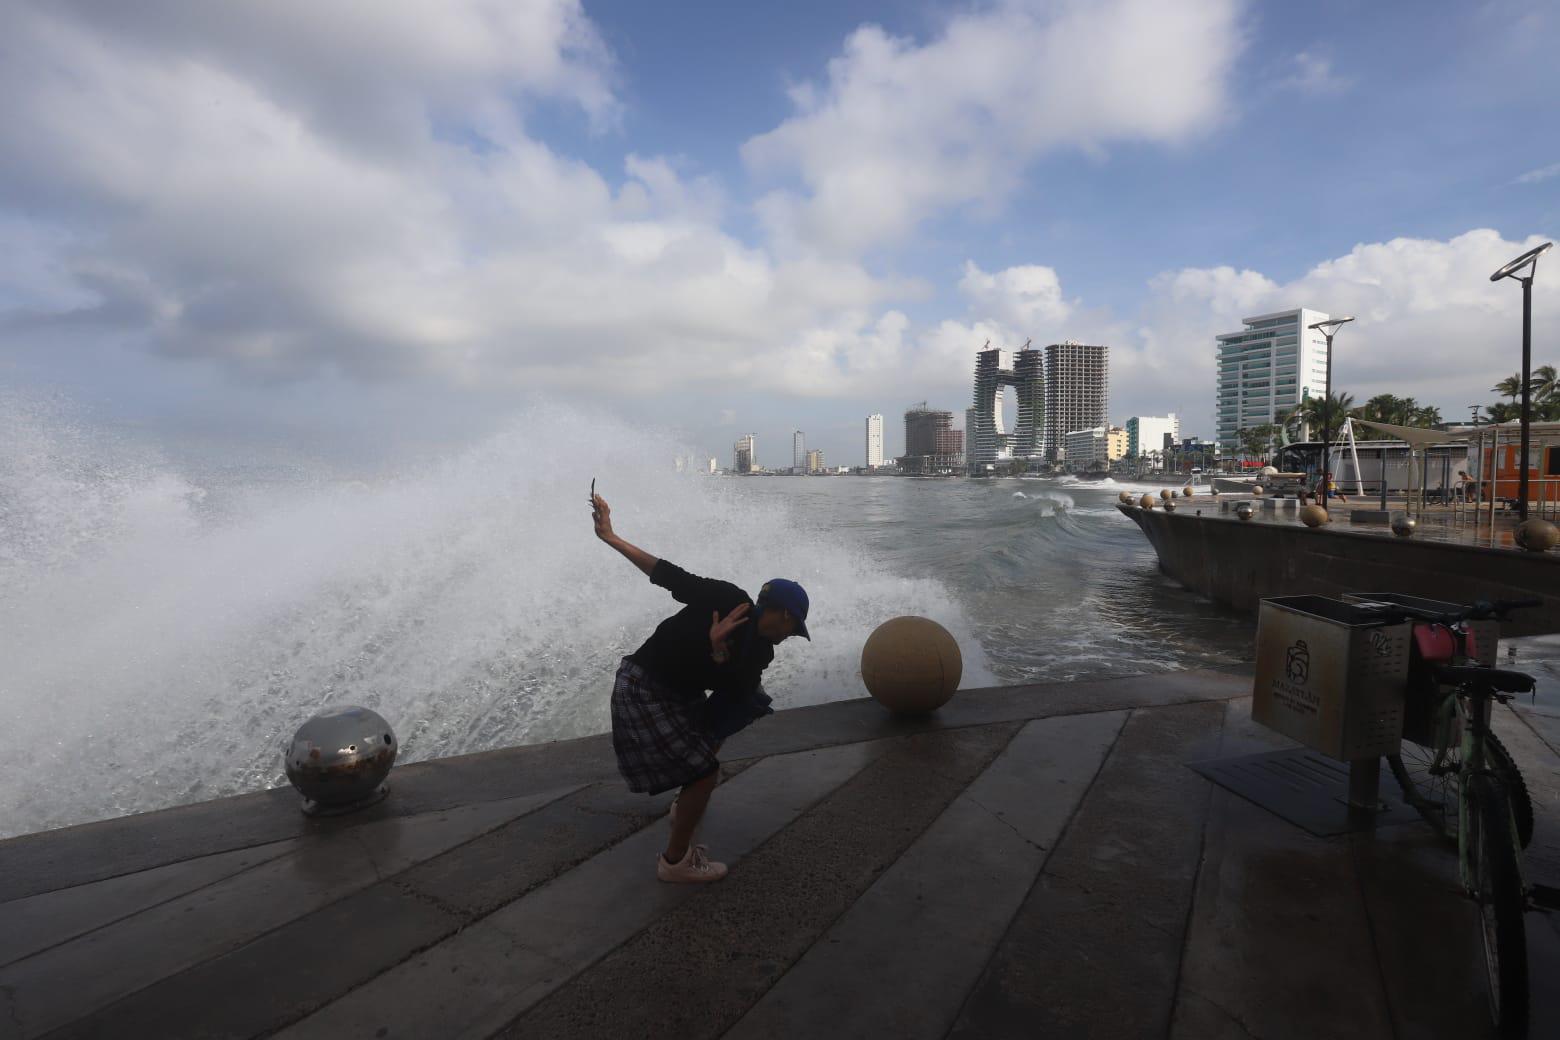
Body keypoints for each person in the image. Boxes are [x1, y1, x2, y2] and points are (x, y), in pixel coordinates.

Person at [591, 491, 809, 883]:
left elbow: (733, 692)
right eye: (794, 626)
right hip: (643, 689)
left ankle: (685, 800)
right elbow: (666, 574)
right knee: (707, 774)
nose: (792, 635)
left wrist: (720, 655)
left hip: (679, 694)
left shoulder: (761, 653)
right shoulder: (726, 598)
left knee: (747, 702)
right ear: (781, 614)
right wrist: (612, 537)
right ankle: (675, 863)